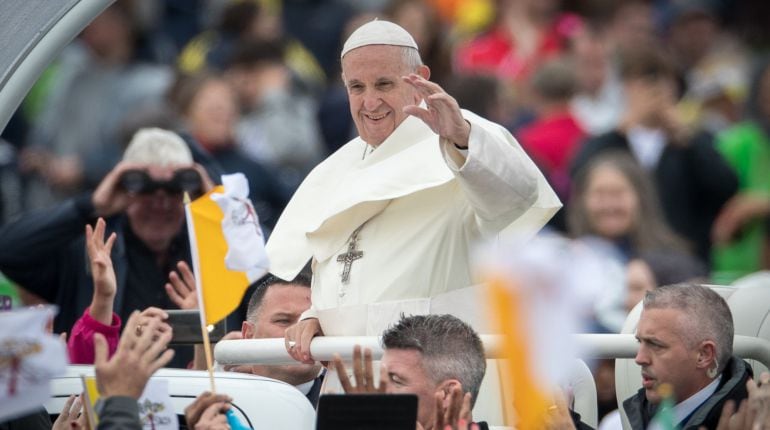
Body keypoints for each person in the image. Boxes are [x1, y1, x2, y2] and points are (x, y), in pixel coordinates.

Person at [269, 19, 559, 362]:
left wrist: (463, 140)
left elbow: (514, 199)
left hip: (435, 371)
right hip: (350, 375)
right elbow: (347, 278)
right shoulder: (334, 169)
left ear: (420, 76)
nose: (370, 102)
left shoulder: (460, 134)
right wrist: (318, 316)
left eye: (384, 84)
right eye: (357, 87)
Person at [0, 128, 212, 367]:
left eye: (173, 190)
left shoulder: (211, 250)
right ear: (125, 189)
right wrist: (89, 206)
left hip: (195, 396)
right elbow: (7, 250)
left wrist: (215, 207)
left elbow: (258, 272)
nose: (160, 204)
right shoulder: (89, 253)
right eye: (147, 191)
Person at [570, 45, 738, 264]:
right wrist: (621, 129)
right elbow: (579, 177)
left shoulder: (695, 139)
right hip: (619, 257)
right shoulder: (609, 140)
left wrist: (686, 136)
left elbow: (726, 186)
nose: (651, 92)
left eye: (659, 81)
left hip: (686, 257)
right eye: (639, 82)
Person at [168, 270, 325, 404]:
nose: (300, 331)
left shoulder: (343, 396)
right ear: (249, 334)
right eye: (283, 321)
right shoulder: (216, 401)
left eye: (309, 321)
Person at [623, 284, 752, 429]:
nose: (639, 359)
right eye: (640, 342)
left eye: (656, 345)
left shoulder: (751, 422)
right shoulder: (648, 411)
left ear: (704, 355)